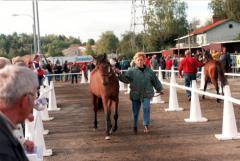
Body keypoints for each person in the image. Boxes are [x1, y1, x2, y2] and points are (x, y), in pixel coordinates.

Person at [116, 52, 163, 134]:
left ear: (144, 60)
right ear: (135, 61)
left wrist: (159, 89)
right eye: (138, 60)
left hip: (146, 93)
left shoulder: (149, 71)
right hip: (135, 94)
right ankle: (135, 125)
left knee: (146, 108)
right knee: (135, 112)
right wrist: (119, 74)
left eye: (141, 60)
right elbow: (126, 80)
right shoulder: (131, 71)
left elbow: (155, 81)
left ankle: (146, 125)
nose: (140, 61)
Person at [0, 65, 38, 161]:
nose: (34, 103)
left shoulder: (5, 128)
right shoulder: (5, 152)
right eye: (34, 96)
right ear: (25, 101)